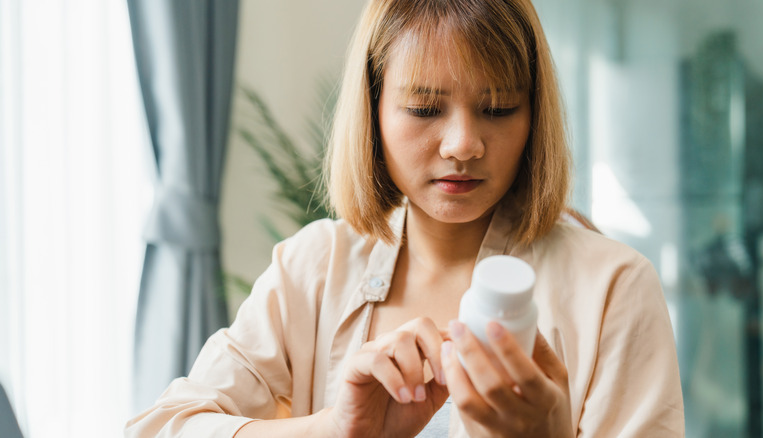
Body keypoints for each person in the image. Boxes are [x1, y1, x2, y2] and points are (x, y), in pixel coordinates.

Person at [125, 0, 684, 436]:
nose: (464, 144)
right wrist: (337, 430)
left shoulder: (614, 288)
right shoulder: (312, 268)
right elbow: (159, 428)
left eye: (497, 108)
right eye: (424, 109)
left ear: (535, 115)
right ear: (373, 108)